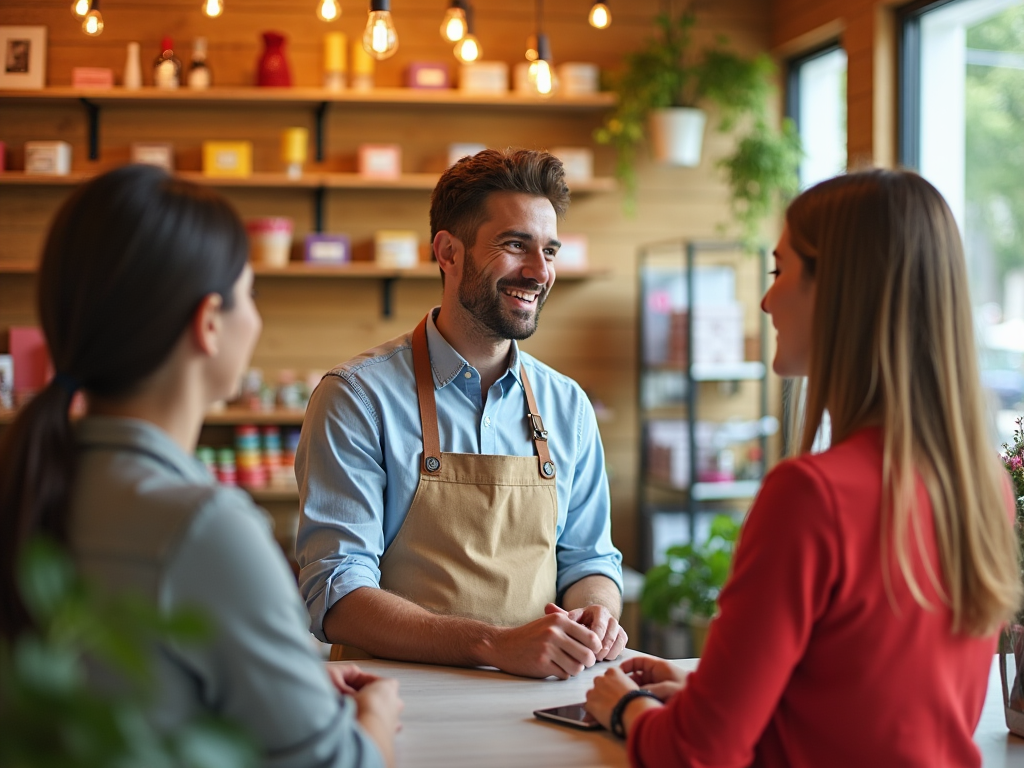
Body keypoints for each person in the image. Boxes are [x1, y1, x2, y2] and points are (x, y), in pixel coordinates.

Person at [584, 169, 1022, 767]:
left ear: (840, 289)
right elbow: (875, 711)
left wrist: (623, 706)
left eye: (779, 270)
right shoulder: (982, 486)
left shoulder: (812, 494)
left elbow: (694, 754)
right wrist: (707, 693)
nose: (765, 300)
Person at [0, 165, 403, 768]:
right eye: (250, 295)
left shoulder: (29, 483)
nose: (257, 319)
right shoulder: (205, 528)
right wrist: (378, 716)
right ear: (209, 323)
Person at [296, 148, 626, 679]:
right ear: (448, 253)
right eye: (515, 245)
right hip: (394, 706)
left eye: (550, 250)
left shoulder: (568, 406)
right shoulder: (357, 398)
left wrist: (598, 613)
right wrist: (494, 645)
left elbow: (590, 561)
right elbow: (338, 591)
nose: (539, 271)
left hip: (540, 701)